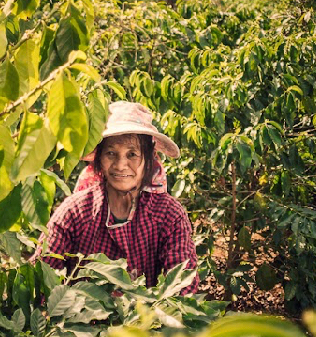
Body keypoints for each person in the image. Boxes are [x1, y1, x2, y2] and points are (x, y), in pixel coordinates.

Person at [36, 101, 198, 292]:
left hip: (145, 318)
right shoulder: (75, 211)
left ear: (149, 159)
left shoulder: (168, 214)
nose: (121, 165)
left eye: (132, 154)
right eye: (111, 153)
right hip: (79, 316)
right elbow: (43, 272)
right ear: (99, 159)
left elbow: (183, 283)